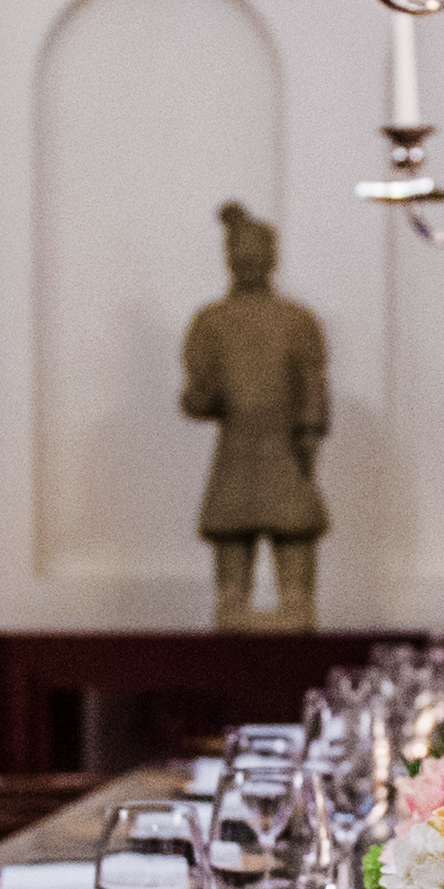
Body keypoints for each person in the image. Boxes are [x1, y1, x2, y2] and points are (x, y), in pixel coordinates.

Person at [182, 203, 331, 627]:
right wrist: (202, 394)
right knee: (232, 528)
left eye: (256, 256)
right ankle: (233, 601)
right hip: (239, 448)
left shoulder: (297, 320)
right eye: (241, 256)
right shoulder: (211, 322)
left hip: (285, 448)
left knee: (294, 527)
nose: (248, 264)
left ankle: (296, 600)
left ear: (271, 258)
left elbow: (312, 383)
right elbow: (200, 396)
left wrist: (309, 433)